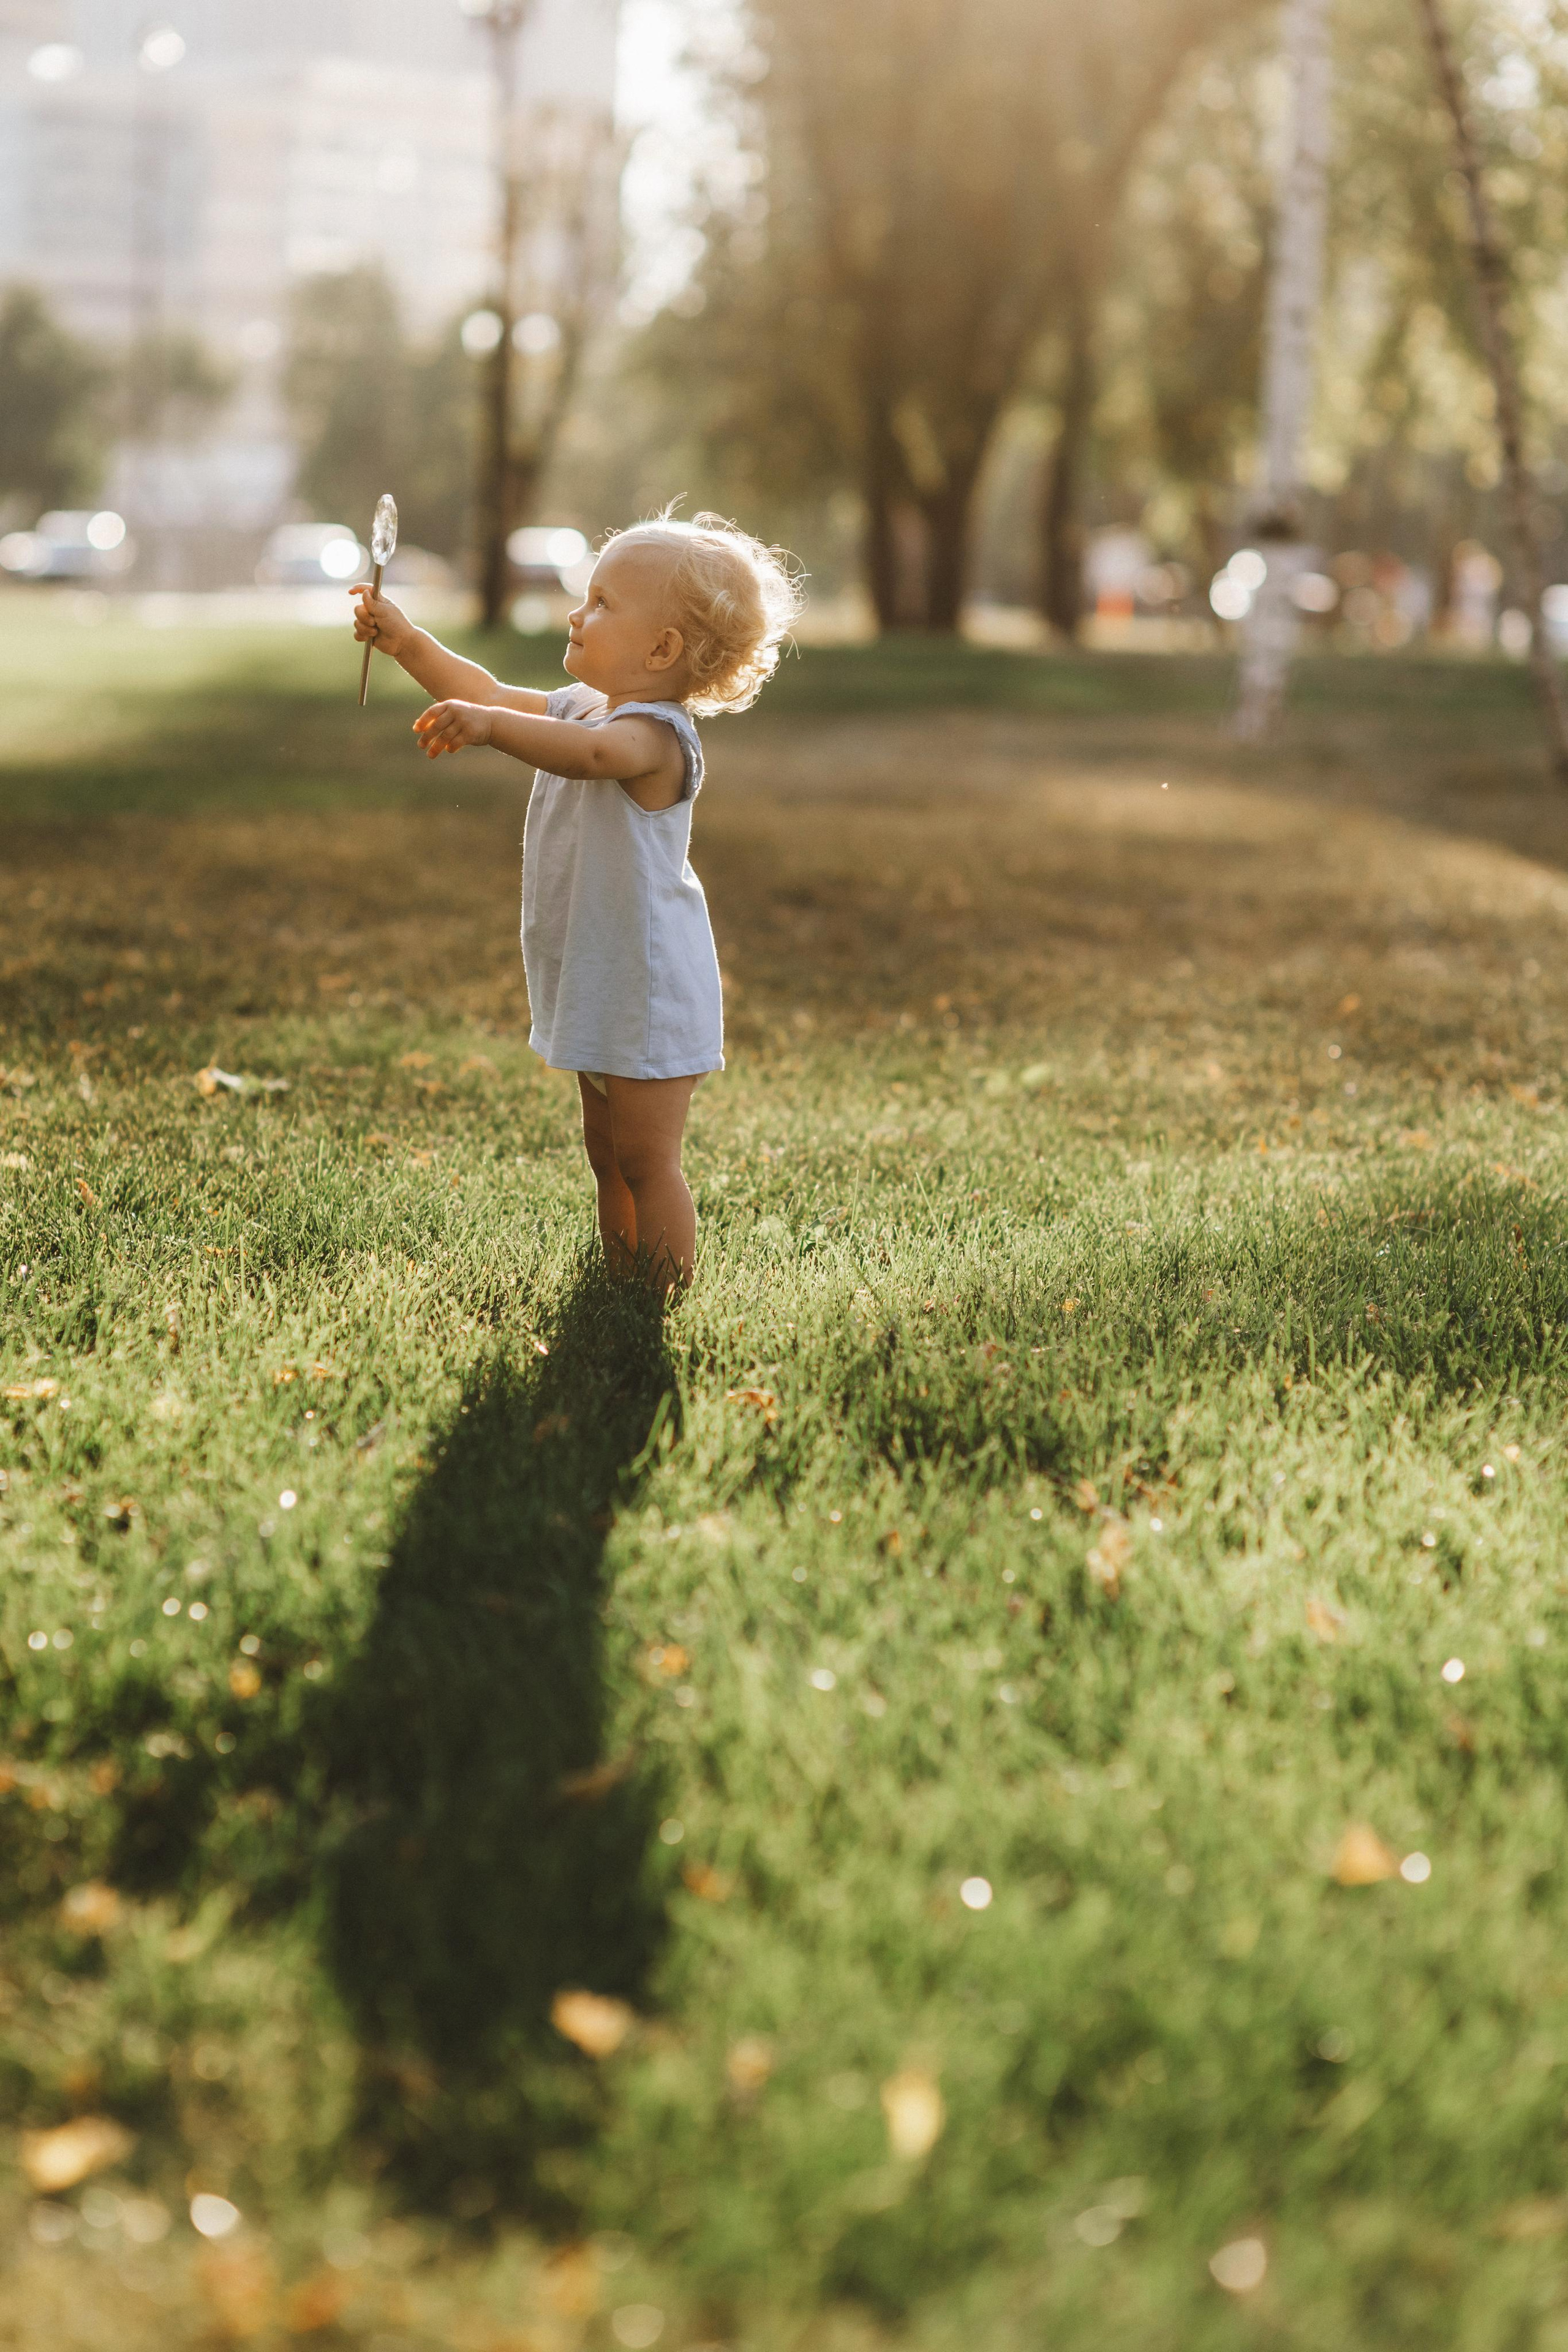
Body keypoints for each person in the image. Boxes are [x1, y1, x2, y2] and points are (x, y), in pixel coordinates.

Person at [351, 510, 802, 1294]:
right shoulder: (583, 706)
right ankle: (620, 1276)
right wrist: (407, 641)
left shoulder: (655, 737)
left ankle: (661, 1295)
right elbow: (488, 690)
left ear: (661, 650)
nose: (575, 612)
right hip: (599, 975)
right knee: (606, 1153)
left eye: (600, 603)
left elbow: (593, 758)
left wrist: (492, 728)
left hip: (648, 985)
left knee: (646, 1158)